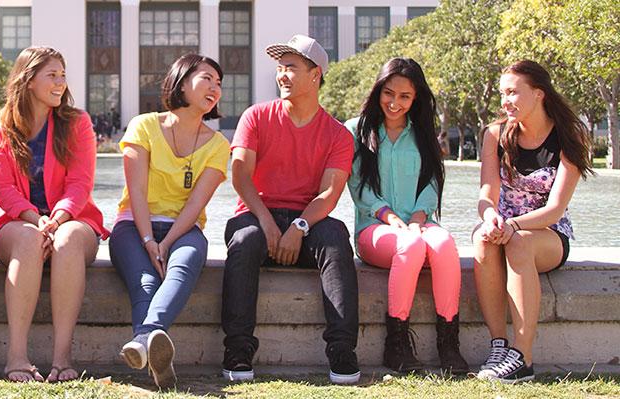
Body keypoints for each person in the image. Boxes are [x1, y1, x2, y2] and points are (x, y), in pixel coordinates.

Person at [220, 34, 360, 384]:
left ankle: (342, 350)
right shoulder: (256, 116)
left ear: (315, 75)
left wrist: (298, 226)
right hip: (256, 215)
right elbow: (239, 176)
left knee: (336, 237)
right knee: (244, 240)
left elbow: (329, 194)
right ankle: (237, 350)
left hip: (307, 221)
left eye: (292, 68)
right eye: (280, 68)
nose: (282, 75)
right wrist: (267, 223)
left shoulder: (338, 135)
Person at [0, 46, 109, 383]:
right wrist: (35, 219)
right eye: (52, 75)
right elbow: (1, 187)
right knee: (28, 238)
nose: (61, 83)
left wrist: (58, 218)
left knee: (65, 240)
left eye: (63, 75)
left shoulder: (77, 122)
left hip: (73, 221)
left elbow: (81, 182)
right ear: (28, 79)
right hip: (20, 224)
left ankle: (62, 360)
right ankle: (17, 359)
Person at [109, 54, 230, 389]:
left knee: (183, 265)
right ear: (181, 80)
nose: (215, 88)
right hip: (133, 225)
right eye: (207, 78)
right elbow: (136, 191)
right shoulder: (144, 125)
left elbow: (195, 204)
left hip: (184, 229)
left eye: (219, 83)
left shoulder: (219, 145)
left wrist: (165, 242)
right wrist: (148, 240)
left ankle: (143, 340)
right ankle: (154, 353)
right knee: (146, 281)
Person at [345, 58, 468, 374]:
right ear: (378, 91)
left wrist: (416, 218)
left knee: (444, 245)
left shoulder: (423, 134)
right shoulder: (356, 129)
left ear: (415, 99)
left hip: (420, 222)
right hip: (375, 229)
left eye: (404, 97)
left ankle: (449, 343)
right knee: (410, 246)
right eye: (389, 93)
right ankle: (396, 344)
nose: (394, 103)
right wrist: (389, 217)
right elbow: (357, 184)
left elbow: (431, 183)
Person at [473, 60, 592, 383]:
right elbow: (487, 193)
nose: (505, 101)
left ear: (538, 94)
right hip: (504, 227)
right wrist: (491, 217)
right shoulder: (494, 135)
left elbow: (555, 209)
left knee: (520, 241)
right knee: (481, 238)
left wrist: (512, 226)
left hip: (546, 234)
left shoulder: (570, 135)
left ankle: (522, 357)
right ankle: (499, 345)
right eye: (502, 93)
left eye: (513, 92)